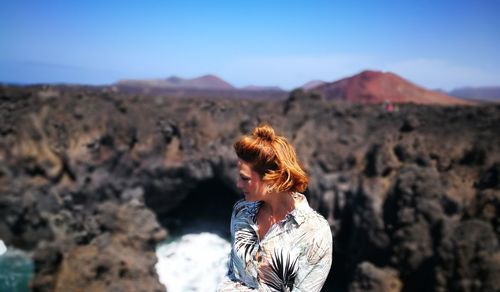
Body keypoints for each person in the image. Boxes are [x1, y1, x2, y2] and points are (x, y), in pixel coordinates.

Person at [218, 123, 333, 292]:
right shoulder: (241, 211)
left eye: (245, 178)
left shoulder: (315, 232)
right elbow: (233, 275)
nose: (238, 184)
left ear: (273, 178)